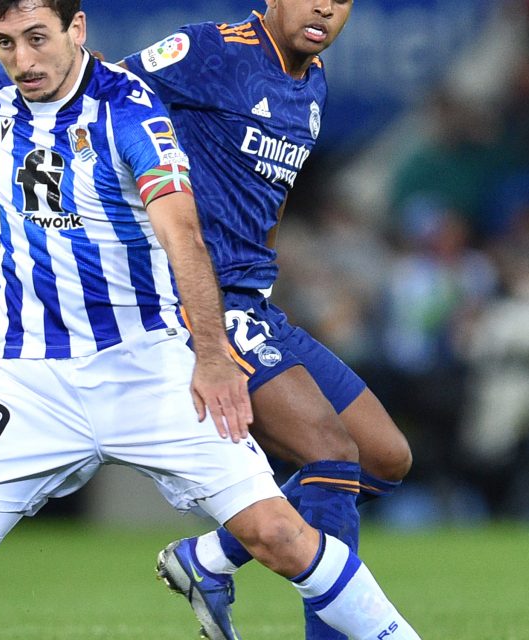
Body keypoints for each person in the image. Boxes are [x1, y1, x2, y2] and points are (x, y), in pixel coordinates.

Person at [0, 2, 418, 640]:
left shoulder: (132, 112)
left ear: (77, 28)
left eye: (38, 38)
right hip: (33, 384)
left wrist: (210, 358)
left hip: (151, 368)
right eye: (5, 42)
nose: (23, 60)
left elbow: (184, 234)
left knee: (284, 532)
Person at [118, 2, 416, 639]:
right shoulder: (212, 50)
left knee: (385, 456)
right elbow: (104, 95)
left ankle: (209, 557)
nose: (324, 8)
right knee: (330, 453)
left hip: (256, 303)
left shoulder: (314, 85)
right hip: (201, 300)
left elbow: (269, 198)